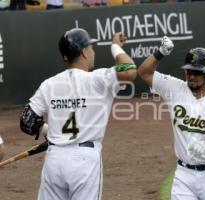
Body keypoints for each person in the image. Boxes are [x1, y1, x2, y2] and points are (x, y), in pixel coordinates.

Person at [20, 28, 136, 200]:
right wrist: (115, 47)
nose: (93, 51)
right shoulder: (98, 79)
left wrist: (50, 131)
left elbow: (26, 121)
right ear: (83, 52)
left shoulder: (49, 84)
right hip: (84, 161)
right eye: (91, 47)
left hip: (54, 159)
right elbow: (129, 70)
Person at [138, 36, 205, 200]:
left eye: (196, 72)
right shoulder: (174, 88)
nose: (191, 76)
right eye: (188, 71)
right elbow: (144, 72)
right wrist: (160, 52)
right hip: (184, 175)